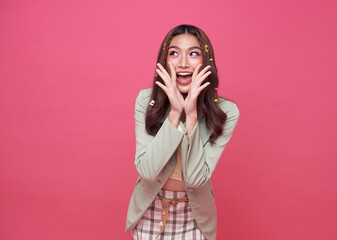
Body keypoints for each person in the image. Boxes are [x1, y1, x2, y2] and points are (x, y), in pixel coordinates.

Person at [125, 24, 240, 240]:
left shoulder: (226, 112)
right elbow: (148, 171)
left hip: (195, 216)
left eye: (194, 53)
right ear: (163, 61)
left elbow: (196, 179)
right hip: (151, 207)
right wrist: (175, 112)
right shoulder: (145, 101)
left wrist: (192, 115)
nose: (184, 63)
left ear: (207, 62)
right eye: (174, 53)